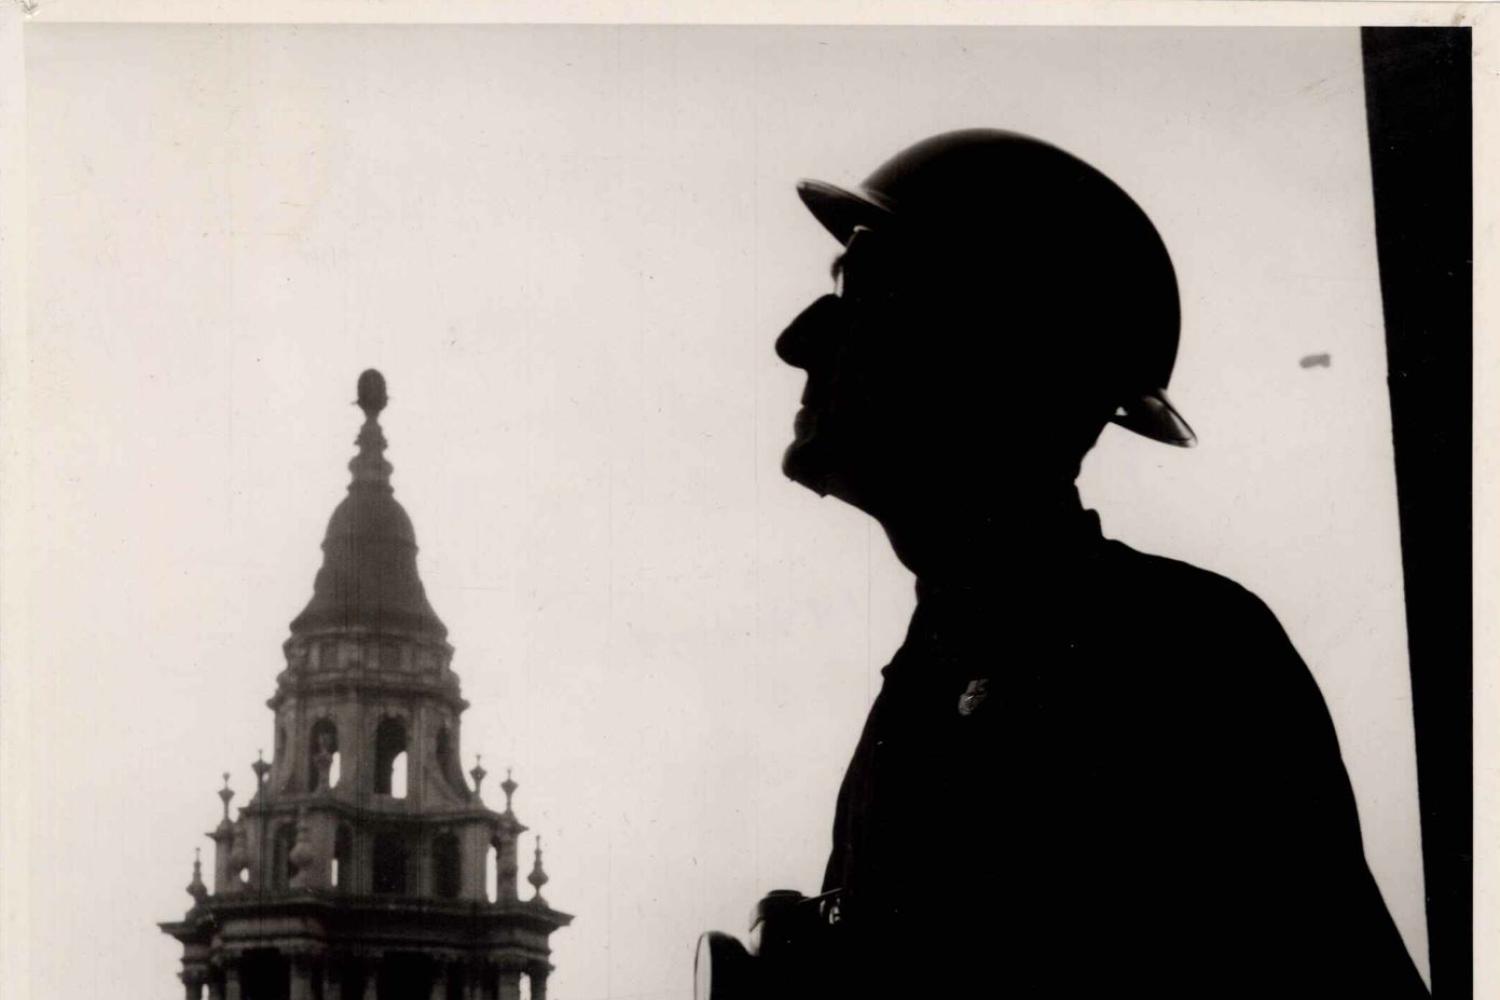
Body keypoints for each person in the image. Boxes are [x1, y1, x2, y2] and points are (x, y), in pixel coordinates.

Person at [773, 130, 1428, 997]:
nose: (799, 341)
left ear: (993, 363)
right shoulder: (930, 675)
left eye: (862, 298)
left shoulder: (1182, 653)